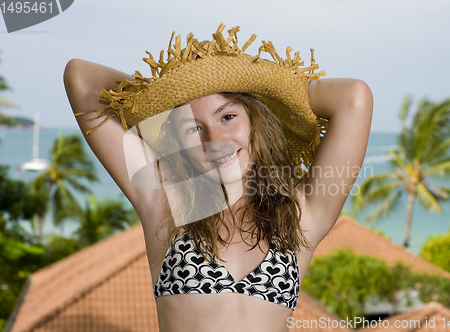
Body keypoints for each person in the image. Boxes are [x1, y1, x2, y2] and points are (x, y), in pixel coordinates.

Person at [63, 24, 373, 332]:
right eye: (193, 128)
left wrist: (277, 89)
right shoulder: (163, 202)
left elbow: (354, 98)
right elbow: (80, 77)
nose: (215, 139)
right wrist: (164, 92)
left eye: (228, 116)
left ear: (255, 120)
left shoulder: (301, 215)